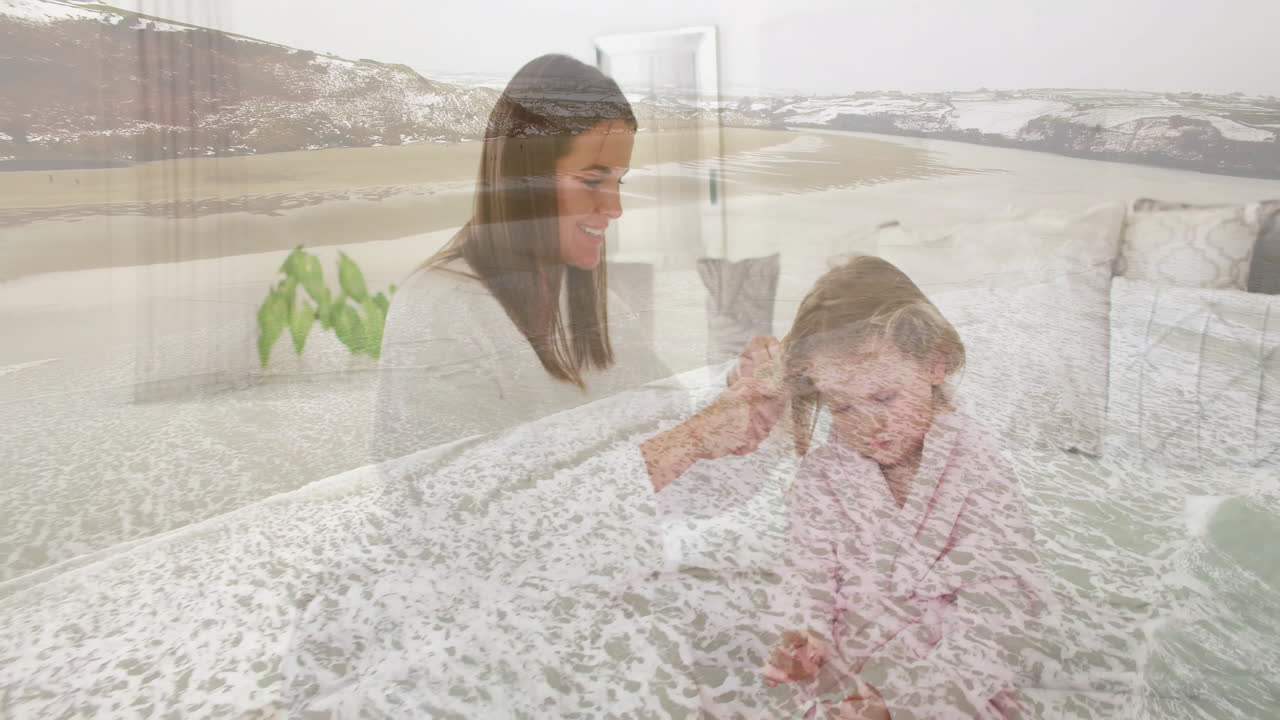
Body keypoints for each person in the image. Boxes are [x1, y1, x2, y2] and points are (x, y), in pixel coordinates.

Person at [744, 255, 1048, 719]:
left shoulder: (979, 472)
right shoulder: (824, 479)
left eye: (884, 397)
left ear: (934, 365)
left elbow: (1001, 608)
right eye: (843, 408)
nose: (870, 423)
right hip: (846, 688)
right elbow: (806, 576)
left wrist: (907, 703)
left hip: (945, 687)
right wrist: (801, 637)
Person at [373, 54, 667, 462]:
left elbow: (665, 413)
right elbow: (459, 500)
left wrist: (733, 402)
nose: (614, 208)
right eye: (592, 180)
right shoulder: (437, 311)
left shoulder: (591, 299)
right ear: (524, 179)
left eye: (619, 180)